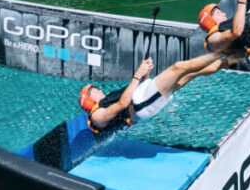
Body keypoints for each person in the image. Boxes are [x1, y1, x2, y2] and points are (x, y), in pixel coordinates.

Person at [80, 54, 220, 135]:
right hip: (141, 106)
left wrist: (145, 73)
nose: (98, 90)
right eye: (94, 92)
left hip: (144, 100)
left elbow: (140, 88)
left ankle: (229, 60)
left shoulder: (107, 101)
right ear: (89, 102)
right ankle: (221, 54)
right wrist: (137, 74)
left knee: (192, 73)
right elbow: (123, 104)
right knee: (178, 67)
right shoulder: (97, 116)